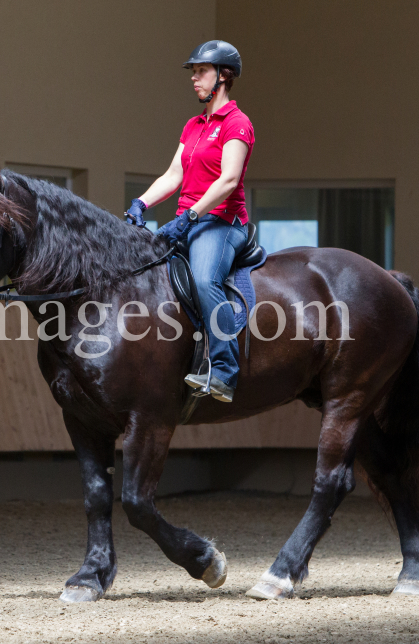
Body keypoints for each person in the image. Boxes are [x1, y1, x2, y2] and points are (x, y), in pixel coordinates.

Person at [124, 40, 254, 403]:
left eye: (201, 72)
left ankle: (224, 371)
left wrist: (192, 216)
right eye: (194, 73)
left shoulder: (238, 124)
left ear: (223, 76)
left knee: (203, 278)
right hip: (188, 219)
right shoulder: (194, 125)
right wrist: (141, 203)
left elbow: (228, 180)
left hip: (222, 223)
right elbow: (173, 174)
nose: (194, 79)